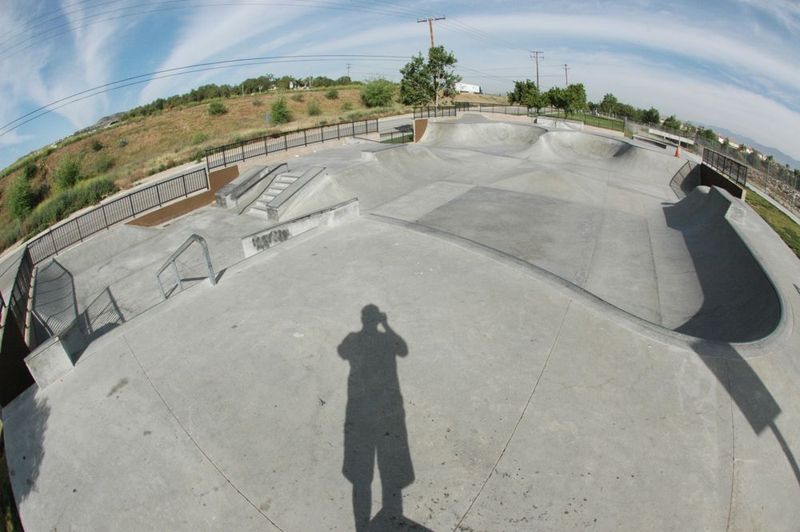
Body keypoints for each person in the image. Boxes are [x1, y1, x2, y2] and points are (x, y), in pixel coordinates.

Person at [338, 304, 413, 532]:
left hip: (360, 408)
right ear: (375, 319)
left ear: (363, 319)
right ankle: (388, 517)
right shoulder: (386, 340)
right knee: (388, 476)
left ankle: (362, 527)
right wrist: (387, 325)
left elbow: (342, 353)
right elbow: (403, 350)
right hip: (386, 407)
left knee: (361, 478)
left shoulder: (353, 339)